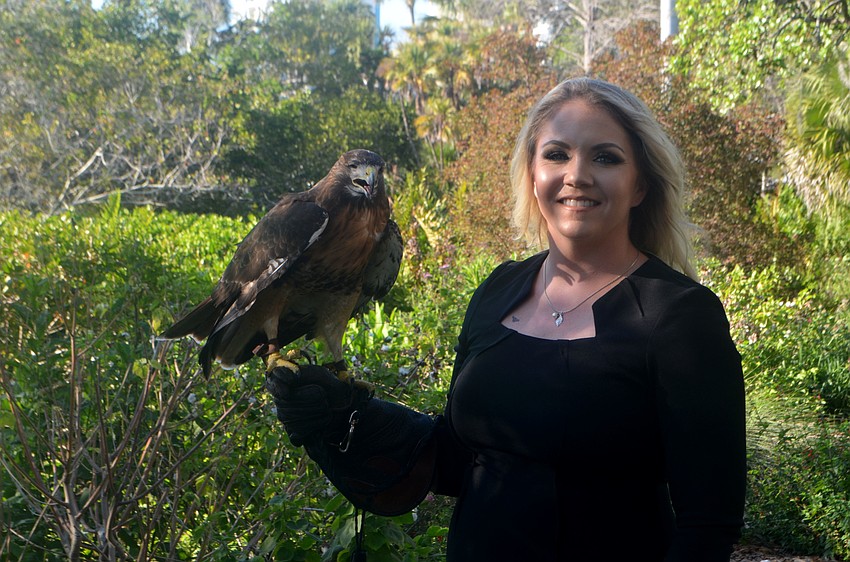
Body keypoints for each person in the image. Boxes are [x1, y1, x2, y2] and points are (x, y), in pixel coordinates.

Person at [265, 77, 746, 561]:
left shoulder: (680, 316)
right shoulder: (499, 292)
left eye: (605, 157)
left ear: (640, 183)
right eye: (556, 154)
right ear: (532, 174)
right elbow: (458, 462)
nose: (577, 174)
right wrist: (347, 417)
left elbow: (709, 523)